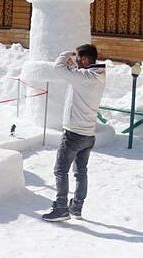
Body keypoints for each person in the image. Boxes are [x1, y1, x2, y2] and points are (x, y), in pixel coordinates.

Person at [42, 44, 106, 222]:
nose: (76, 61)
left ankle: (61, 207)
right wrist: (74, 64)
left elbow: (59, 66)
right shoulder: (97, 75)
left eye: (79, 58)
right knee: (81, 172)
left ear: (85, 60)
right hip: (88, 134)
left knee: (60, 170)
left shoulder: (83, 76)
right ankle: (76, 207)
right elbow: (74, 73)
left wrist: (67, 52)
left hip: (73, 133)